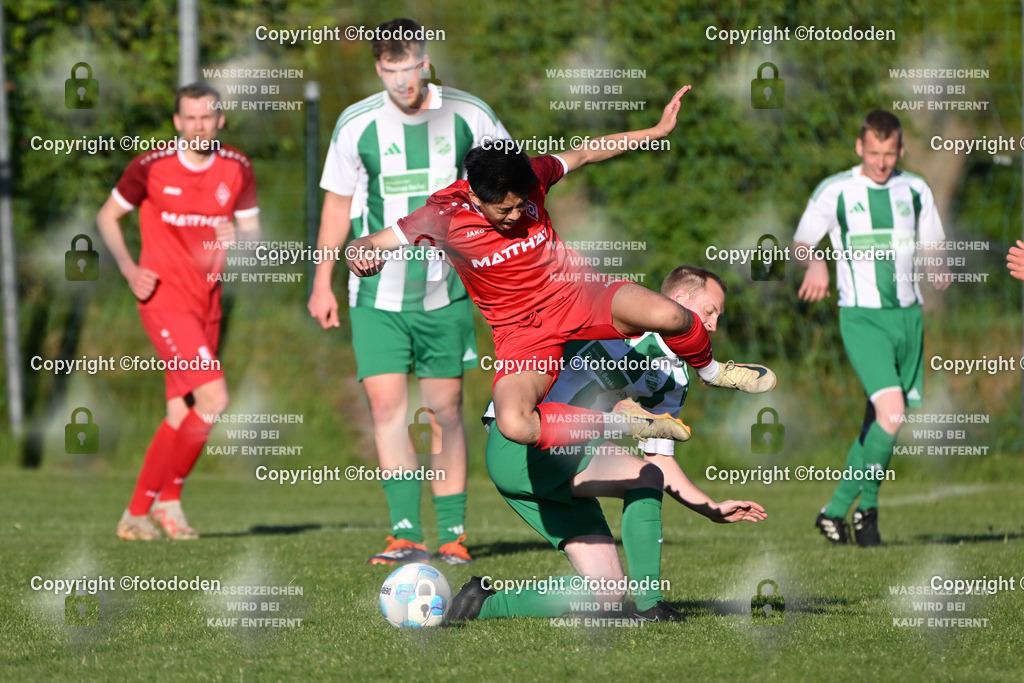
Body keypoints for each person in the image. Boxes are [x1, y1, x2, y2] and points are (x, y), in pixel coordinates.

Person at [346, 86, 777, 466]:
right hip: (521, 333)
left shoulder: (530, 175)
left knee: (674, 316)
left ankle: (713, 371)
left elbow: (587, 151)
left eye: (521, 205)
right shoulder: (441, 215)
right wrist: (359, 255)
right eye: (505, 210)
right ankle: (619, 421)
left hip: (579, 294)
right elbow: (366, 245)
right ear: (476, 197)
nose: (517, 215)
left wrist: (655, 132)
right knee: (514, 423)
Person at [445, 266, 767, 623]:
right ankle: (651, 606)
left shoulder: (675, 379)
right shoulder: (623, 315)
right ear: (679, 301)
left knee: (605, 592)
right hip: (521, 446)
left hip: (562, 464)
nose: (713, 326)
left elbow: (659, 461)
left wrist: (709, 507)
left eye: (718, 317)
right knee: (641, 476)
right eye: (709, 311)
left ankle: (476, 606)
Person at [308, 18, 510, 565]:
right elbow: (336, 204)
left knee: (442, 411)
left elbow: (511, 183)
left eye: (410, 66)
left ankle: (451, 535)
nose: (402, 79)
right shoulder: (357, 125)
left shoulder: (470, 114)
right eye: (390, 69)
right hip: (376, 298)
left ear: (426, 61)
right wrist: (321, 280)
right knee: (386, 407)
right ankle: (404, 533)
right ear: (379, 67)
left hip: (445, 292)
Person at [96, 82, 260, 540]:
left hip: (207, 304)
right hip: (164, 302)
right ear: (176, 122)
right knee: (214, 399)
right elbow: (107, 216)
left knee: (178, 413)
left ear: (220, 121)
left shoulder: (237, 168)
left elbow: (253, 235)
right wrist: (129, 270)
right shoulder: (150, 166)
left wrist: (238, 239)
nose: (198, 126)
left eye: (206, 118)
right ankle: (158, 503)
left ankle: (146, 511)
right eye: (189, 118)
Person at [793, 110, 947, 547]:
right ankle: (853, 508)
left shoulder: (915, 189)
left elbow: (933, 245)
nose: (881, 162)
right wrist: (817, 262)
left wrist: (939, 266)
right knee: (893, 413)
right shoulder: (836, 191)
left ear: (901, 150)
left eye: (890, 153)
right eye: (873, 152)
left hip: (907, 317)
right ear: (860, 148)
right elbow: (802, 243)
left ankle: (847, 516)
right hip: (862, 318)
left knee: (882, 418)